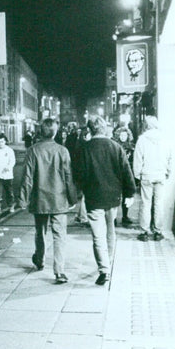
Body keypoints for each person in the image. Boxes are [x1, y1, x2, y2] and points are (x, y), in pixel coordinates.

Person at [74, 116, 136, 285]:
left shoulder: (84, 149)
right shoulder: (115, 147)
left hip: (94, 198)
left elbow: (79, 175)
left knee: (97, 235)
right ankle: (108, 260)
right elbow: (126, 172)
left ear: (90, 130)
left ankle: (104, 269)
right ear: (104, 129)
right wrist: (130, 193)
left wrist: (80, 191)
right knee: (110, 230)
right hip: (113, 197)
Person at [18, 118, 78, 284]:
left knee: (40, 232)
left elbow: (27, 177)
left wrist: (23, 199)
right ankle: (59, 271)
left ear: (40, 132)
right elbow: (68, 177)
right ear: (55, 132)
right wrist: (72, 198)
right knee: (60, 236)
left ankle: (40, 259)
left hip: (40, 199)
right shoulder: (63, 151)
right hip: (59, 199)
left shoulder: (33, 150)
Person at [133, 115, 171, 241]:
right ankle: (158, 231)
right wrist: (167, 172)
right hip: (160, 175)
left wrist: (137, 174)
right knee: (159, 204)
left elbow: (138, 160)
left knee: (145, 203)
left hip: (147, 176)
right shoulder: (165, 139)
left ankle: (145, 232)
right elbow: (170, 157)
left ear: (146, 125)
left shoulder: (142, 140)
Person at [113, 125, 136, 226]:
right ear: (118, 135)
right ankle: (113, 217)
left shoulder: (132, 147)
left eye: (125, 135)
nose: (123, 137)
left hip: (127, 173)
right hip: (116, 174)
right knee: (115, 196)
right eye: (121, 135)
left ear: (128, 136)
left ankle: (125, 216)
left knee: (127, 195)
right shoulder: (114, 146)